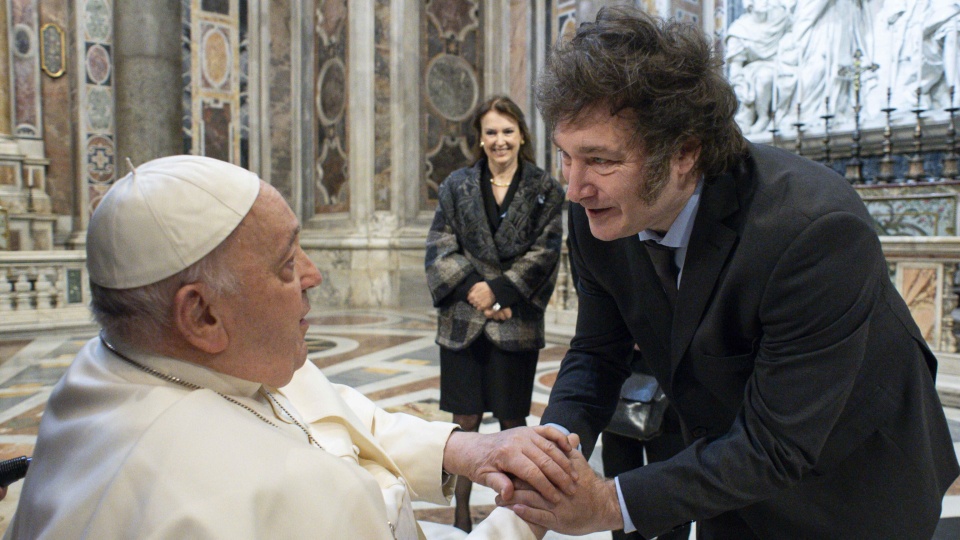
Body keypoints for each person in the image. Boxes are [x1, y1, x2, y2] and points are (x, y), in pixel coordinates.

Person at [500, 7, 960, 539]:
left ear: (685, 153)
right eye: (565, 156)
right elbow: (599, 350)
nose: (574, 187)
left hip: (852, 491)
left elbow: (777, 445)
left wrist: (608, 503)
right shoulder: (599, 217)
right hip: (727, 476)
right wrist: (550, 452)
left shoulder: (813, 231)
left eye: (601, 161)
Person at [6, 155, 578, 539]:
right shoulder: (264, 495)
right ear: (202, 313)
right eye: (286, 264)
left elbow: (328, 411)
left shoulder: (130, 361)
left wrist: (461, 450)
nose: (313, 275)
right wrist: (520, 520)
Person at [425, 95, 565, 532]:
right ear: (479, 139)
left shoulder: (545, 189)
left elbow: (545, 253)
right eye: (491, 132)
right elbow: (439, 247)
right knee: (463, 424)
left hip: (515, 323)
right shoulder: (456, 186)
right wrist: (479, 295)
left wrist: (502, 295)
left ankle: (513, 510)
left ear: (521, 135)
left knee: (513, 423)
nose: (499, 140)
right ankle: (462, 513)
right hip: (464, 324)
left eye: (507, 131)